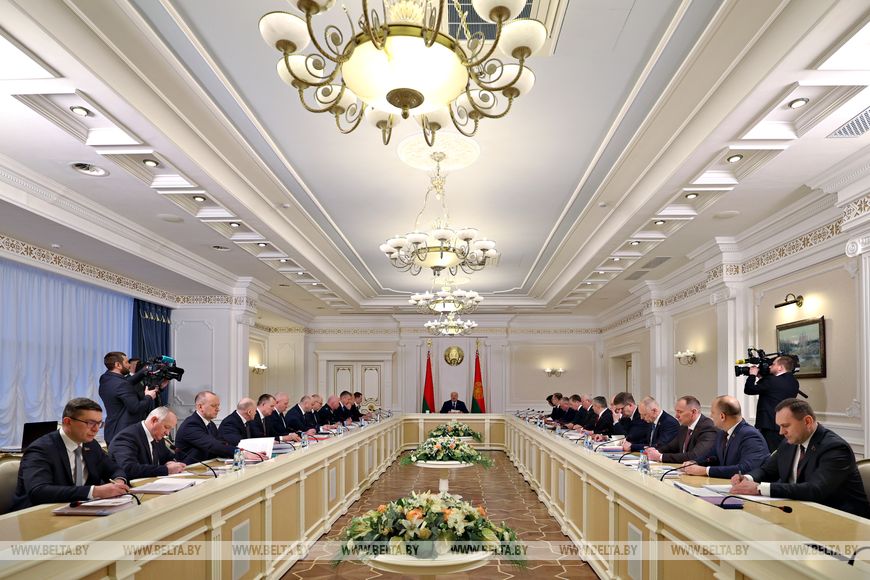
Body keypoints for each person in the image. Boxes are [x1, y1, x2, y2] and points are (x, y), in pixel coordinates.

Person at [730, 399, 870, 517]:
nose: (781, 432)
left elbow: (815, 490)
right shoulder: (789, 442)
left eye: (785, 426)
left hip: (840, 518)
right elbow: (767, 470)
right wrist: (747, 478)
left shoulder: (835, 448)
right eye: (779, 426)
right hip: (799, 510)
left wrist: (759, 488)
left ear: (807, 421)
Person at [11, 398, 129, 511]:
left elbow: (114, 469)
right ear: (68, 422)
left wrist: (118, 481)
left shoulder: (91, 445)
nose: (96, 429)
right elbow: (38, 491)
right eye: (90, 423)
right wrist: (94, 491)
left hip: (79, 510)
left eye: (99, 423)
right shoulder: (41, 449)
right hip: (36, 513)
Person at [682, 396, 768, 478]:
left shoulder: (750, 435)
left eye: (713, 413)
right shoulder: (722, 432)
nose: (711, 416)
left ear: (722, 416)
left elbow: (746, 468)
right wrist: (694, 462)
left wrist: (706, 471)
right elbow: (711, 455)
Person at [99, 351, 159, 444]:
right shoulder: (122, 384)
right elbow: (136, 408)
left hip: (111, 432)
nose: (129, 365)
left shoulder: (106, 378)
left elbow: (126, 383)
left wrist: (144, 371)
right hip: (124, 435)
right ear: (118, 365)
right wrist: (149, 396)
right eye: (126, 362)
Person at [744, 355, 801, 451]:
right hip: (784, 424)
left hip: (769, 425)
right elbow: (771, 389)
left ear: (780, 367)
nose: (770, 366)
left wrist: (752, 375)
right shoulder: (794, 382)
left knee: (768, 453)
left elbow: (749, 389)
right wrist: (761, 378)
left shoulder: (771, 380)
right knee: (781, 453)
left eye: (773, 364)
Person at [110, 406, 186, 478]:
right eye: (166, 427)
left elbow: (167, 457)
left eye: (170, 429)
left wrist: (171, 462)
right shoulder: (126, 437)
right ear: (154, 420)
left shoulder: (157, 435)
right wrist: (166, 469)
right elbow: (129, 469)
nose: (167, 433)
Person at [646, 396, 718, 464]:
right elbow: (671, 447)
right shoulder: (684, 427)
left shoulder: (707, 427)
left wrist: (660, 457)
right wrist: (654, 451)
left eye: (680, 412)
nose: (676, 416)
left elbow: (695, 456)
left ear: (693, 412)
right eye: (676, 412)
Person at [174, 391, 235, 462]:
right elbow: (213, 445)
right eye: (213, 406)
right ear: (200, 407)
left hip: (208, 464)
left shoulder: (211, 424)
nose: (218, 409)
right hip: (190, 467)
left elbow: (221, 443)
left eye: (218, 405)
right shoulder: (190, 424)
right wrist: (239, 452)